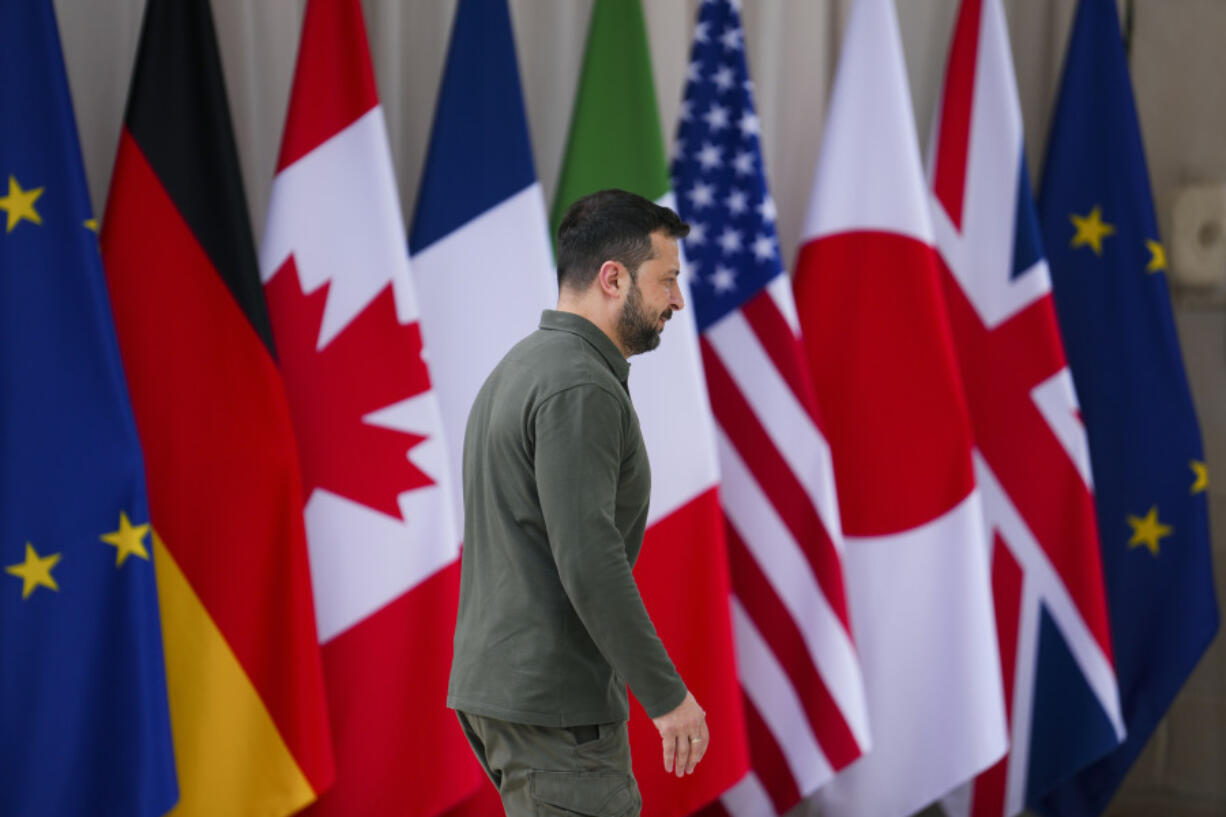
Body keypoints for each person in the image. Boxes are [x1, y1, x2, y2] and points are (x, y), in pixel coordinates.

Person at [448, 189, 710, 816]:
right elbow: (589, 556)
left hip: (517, 695)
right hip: (557, 705)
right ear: (613, 279)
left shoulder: (524, 366)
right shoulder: (579, 383)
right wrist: (668, 696)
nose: (677, 299)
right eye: (667, 280)